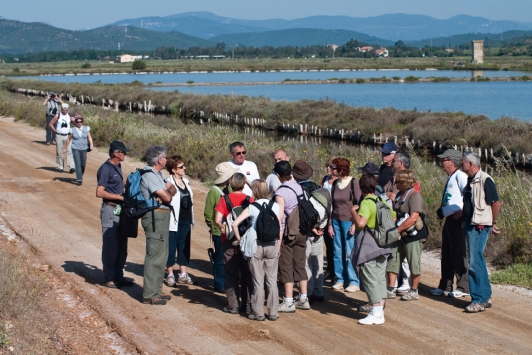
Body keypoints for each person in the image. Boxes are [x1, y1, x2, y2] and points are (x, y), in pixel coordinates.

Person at [232, 180, 282, 321]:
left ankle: (258, 312)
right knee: (272, 280)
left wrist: (240, 239)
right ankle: (273, 312)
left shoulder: (252, 207)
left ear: (254, 191)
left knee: (258, 281)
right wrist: (278, 246)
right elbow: (279, 227)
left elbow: (235, 224)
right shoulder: (276, 206)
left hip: (256, 246)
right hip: (272, 244)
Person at [461, 151, 501, 313]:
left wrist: (492, 222)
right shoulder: (471, 180)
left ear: (470, 164)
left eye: (463, 162)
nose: (461, 164)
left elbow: (496, 203)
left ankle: (478, 299)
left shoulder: (485, 179)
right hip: (472, 225)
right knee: (478, 261)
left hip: (479, 226)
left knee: (474, 263)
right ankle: (485, 295)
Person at [350, 173, 393, 324]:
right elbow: (392, 218)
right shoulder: (382, 200)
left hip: (369, 246)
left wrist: (353, 212)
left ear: (361, 187)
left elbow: (361, 223)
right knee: (380, 277)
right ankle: (379, 311)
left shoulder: (366, 203)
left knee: (370, 278)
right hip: (383, 245)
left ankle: (375, 312)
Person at [430, 149, 470, 298]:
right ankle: (445, 285)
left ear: (452, 161)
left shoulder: (460, 176)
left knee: (458, 252)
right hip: (449, 220)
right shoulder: (450, 177)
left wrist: (463, 212)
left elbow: (469, 194)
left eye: (444, 160)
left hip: (457, 220)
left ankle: (463, 286)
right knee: (446, 252)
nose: (441, 162)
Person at [140, 146, 177, 305]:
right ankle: (149, 294)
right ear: (159, 159)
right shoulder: (149, 175)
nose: (167, 160)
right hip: (155, 217)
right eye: (165, 157)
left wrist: (168, 191)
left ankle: (156, 290)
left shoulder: (157, 175)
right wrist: (166, 192)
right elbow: (167, 197)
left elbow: (173, 189)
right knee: (155, 254)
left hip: (161, 217)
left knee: (162, 254)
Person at [95, 141, 134, 289]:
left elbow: (119, 184)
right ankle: (108, 278)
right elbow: (99, 192)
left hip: (119, 211)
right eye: (123, 152)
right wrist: (120, 197)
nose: (125, 154)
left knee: (122, 246)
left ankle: (119, 276)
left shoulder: (117, 166)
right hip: (110, 209)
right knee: (111, 246)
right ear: (116, 153)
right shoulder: (105, 168)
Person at [274, 161, 312, 312]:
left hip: (289, 233)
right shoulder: (299, 187)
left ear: (278, 175)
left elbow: (280, 218)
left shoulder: (280, 192)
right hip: (302, 231)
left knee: (286, 265)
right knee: (300, 264)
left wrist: (278, 241)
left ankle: (288, 301)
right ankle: (303, 298)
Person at [214, 173, 254, 314]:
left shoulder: (224, 199)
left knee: (231, 274)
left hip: (230, 241)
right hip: (247, 241)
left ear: (230, 184)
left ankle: (233, 305)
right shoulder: (250, 199)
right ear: (244, 184)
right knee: (247, 273)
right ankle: (248, 304)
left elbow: (217, 220)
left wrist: (225, 230)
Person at [384, 151, 421, 294]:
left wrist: (397, 230)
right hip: (399, 230)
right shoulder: (400, 194)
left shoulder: (414, 195)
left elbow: (413, 217)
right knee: (394, 258)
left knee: (413, 261)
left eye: (398, 182)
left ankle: (414, 290)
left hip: (411, 233)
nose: (395, 184)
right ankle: (391, 288)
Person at [291, 160, 325, 303]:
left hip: (305, 229)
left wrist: (310, 227)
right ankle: (319, 291)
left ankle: (308, 291)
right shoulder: (317, 188)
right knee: (317, 260)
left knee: (305, 261)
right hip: (320, 227)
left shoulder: (297, 190)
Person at [328, 157, 361, 293]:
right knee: (337, 251)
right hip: (335, 220)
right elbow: (332, 205)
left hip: (349, 221)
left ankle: (354, 281)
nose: (331, 169)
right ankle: (339, 279)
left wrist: (355, 223)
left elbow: (358, 203)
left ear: (342, 169)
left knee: (350, 252)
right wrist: (330, 224)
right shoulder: (335, 184)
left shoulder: (354, 183)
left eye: (334, 167)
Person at [204, 162, 238, 293]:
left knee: (229, 257)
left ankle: (226, 282)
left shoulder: (229, 188)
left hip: (228, 229)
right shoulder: (214, 191)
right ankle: (219, 283)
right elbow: (208, 213)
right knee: (219, 257)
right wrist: (214, 226)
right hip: (219, 230)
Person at [165, 155, 195, 287]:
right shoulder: (167, 182)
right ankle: (170, 274)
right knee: (171, 247)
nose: (184, 168)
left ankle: (183, 274)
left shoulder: (186, 182)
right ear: (173, 169)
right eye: (181, 167)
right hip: (173, 221)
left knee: (184, 247)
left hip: (185, 220)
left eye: (184, 166)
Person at [321, 157, 338, 282]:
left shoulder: (340, 181)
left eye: (331, 166)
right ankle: (330, 270)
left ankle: (337, 272)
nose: (328, 168)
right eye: (327, 165)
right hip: (325, 215)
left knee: (336, 245)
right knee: (328, 244)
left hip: (336, 215)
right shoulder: (325, 180)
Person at [64, 115, 93, 185]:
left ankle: (80, 174)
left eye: (81, 121)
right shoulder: (72, 130)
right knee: (78, 164)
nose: (79, 123)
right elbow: (68, 139)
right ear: (75, 122)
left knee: (83, 164)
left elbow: (89, 137)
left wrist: (91, 144)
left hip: (84, 148)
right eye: (78, 122)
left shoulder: (86, 128)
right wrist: (65, 148)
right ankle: (79, 179)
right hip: (75, 148)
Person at [49, 103, 75, 173]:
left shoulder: (69, 116)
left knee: (69, 151)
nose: (65, 111)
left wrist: (74, 120)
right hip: (59, 135)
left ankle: (71, 167)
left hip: (67, 135)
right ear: (61, 109)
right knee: (59, 151)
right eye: (64, 109)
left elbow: (76, 123)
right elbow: (51, 124)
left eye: (66, 110)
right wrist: (55, 131)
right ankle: (61, 166)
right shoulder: (58, 115)